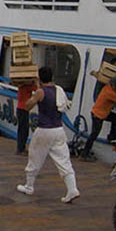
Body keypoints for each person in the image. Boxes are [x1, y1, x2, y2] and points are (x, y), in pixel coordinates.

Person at [16, 67, 79, 202]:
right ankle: (72, 188)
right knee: (64, 160)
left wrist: (30, 94)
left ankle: (29, 186)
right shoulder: (59, 90)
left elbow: (27, 106)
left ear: (39, 78)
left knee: (34, 158)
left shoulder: (40, 92)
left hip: (44, 130)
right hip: (59, 130)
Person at [81, 77, 116, 160]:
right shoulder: (110, 93)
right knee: (94, 134)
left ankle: (112, 136)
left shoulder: (107, 87)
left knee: (115, 118)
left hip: (100, 113)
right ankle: (85, 153)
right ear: (114, 86)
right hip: (98, 115)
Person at [14, 80, 36, 155]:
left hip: (20, 108)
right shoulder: (27, 86)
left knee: (21, 129)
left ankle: (20, 147)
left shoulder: (21, 86)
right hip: (24, 109)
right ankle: (21, 149)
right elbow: (37, 88)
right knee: (24, 130)